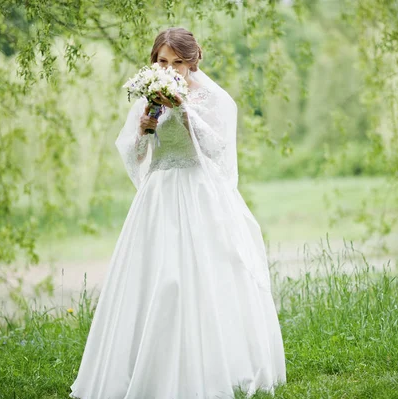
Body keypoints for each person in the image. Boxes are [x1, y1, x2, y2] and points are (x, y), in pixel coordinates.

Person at [70, 27, 286, 399]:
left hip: (197, 190)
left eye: (177, 63)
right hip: (158, 194)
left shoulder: (212, 99)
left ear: (193, 61)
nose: (169, 69)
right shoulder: (150, 97)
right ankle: (145, 368)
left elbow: (218, 149)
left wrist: (186, 112)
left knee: (199, 274)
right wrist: (143, 129)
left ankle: (212, 364)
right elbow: (136, 154)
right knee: (154, 275)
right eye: (162, 61)